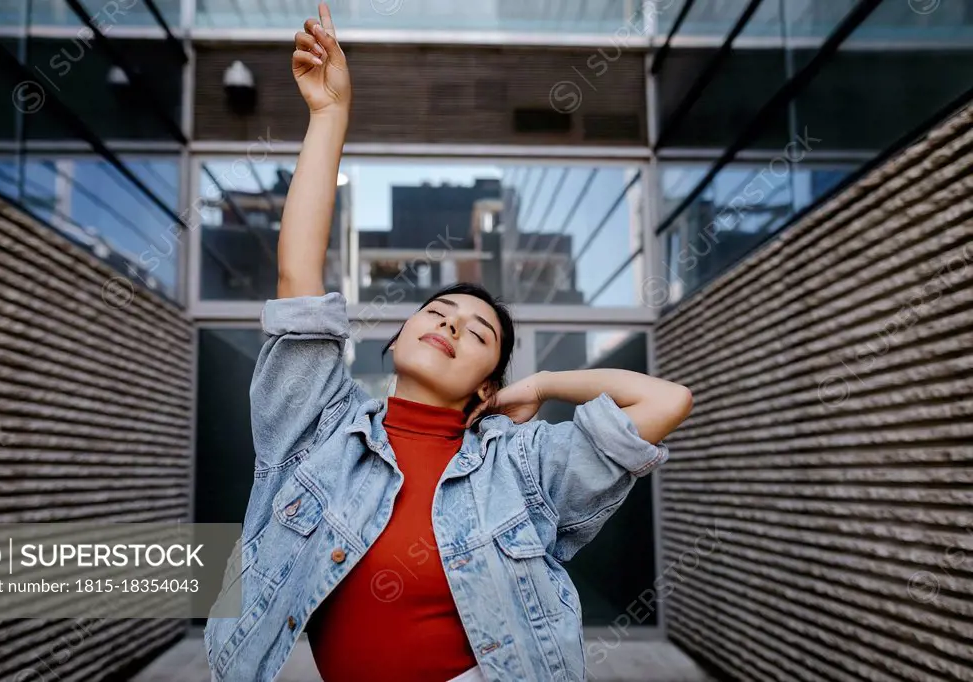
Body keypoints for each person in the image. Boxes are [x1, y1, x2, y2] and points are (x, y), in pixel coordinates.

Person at [203, 4, 693, 681]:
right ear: (400, 336)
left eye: (479, 330)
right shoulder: (316, 431)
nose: (453, 324)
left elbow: (666, 399)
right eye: (439, 309)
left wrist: (543, 386)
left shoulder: (523, 469)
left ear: (488, 381)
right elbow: (297, 279)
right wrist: (328, 116)